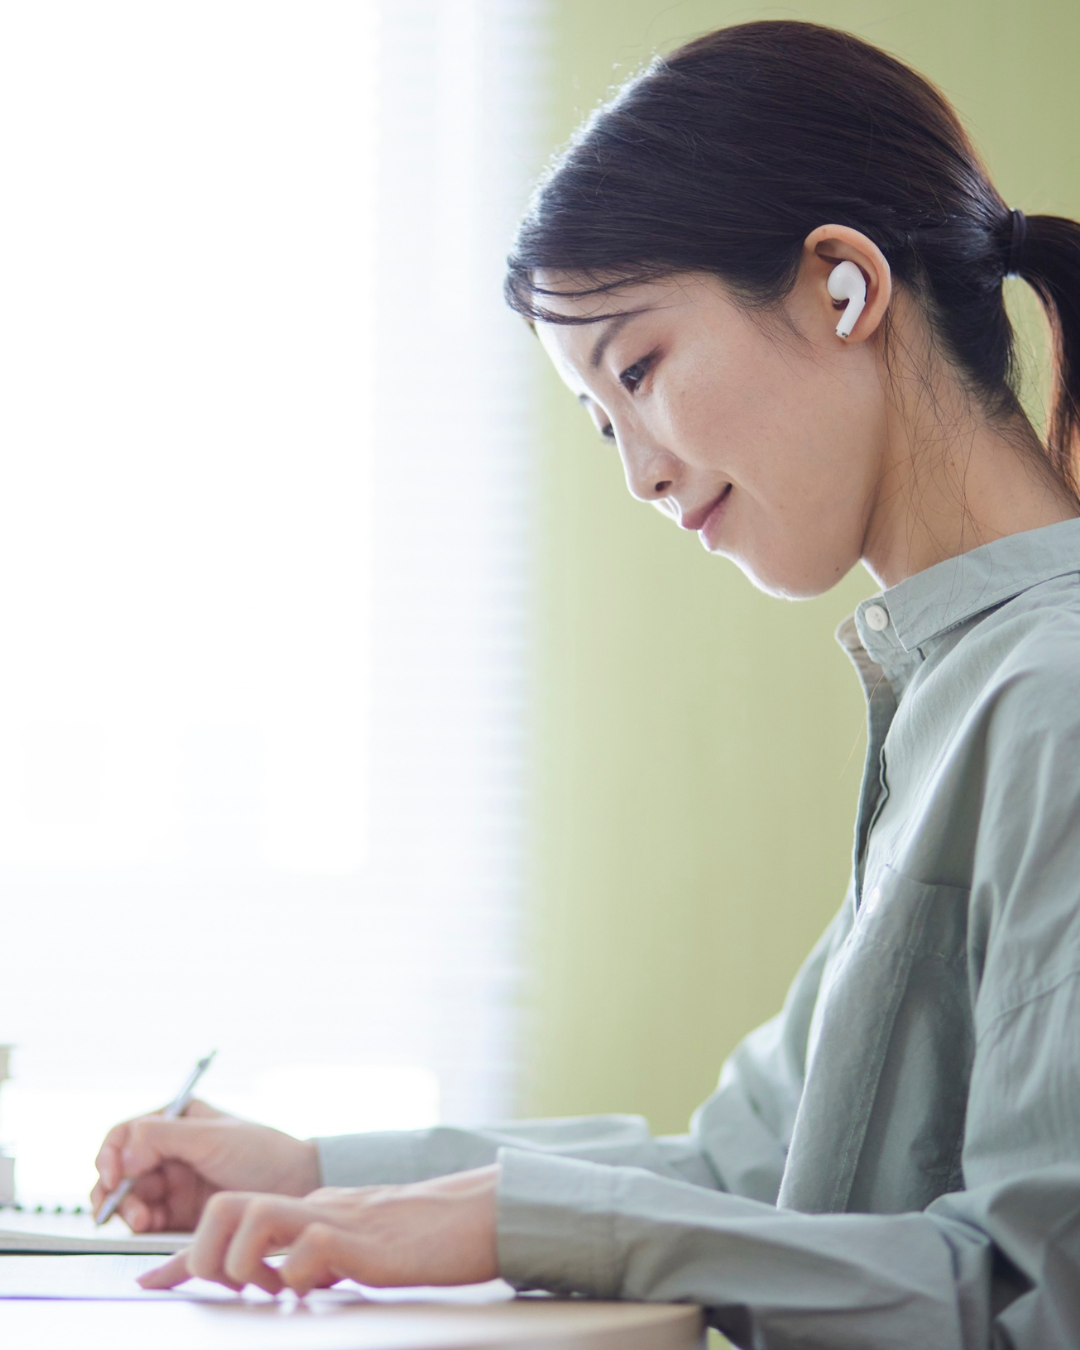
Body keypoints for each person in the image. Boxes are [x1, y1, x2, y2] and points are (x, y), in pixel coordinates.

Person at [91, 20, 1080, 1346]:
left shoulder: (1053, 694)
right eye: (603, 422)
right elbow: (751, 1176)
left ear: (844, 285)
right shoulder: (966, 682)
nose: (644, 475)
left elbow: (1033, 1298)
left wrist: (508, 1222)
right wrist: (319, 1170)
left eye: (641, 368)